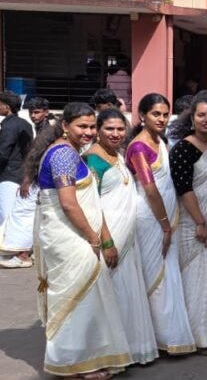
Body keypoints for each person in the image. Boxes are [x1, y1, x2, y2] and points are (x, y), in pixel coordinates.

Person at [26, 102, 131, 377]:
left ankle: (84, 360)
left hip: (75, 236)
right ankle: (69, 364)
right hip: (70, 238)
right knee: (76, 299)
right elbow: (69, 203)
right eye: (81, 126)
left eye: (92, 126)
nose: (88, 132)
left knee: (86, 300)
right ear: (65, 125)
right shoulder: (63, 155)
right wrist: (93, 238)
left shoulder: (72, 152)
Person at [84, 109, 160, 365]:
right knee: (110, 296)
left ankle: (128, 349)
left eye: (120, 129)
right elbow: (92, 206)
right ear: (98, 130)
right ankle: (105, 355)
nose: (116, 134)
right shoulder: (92, 161)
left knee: (127, 294)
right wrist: (107, 242)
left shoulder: (117, 155)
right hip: (110, 239)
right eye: (109, 129)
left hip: (128, 235)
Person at [126, 93, 197, 355]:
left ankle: (170, 336)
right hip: (150, 218)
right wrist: (165, 225)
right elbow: (150, 189)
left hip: (167, 215)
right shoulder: (138, 147)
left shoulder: (160, 142)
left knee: (168, 273)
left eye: (165, 114)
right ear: (142, 116)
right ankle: (155, 336)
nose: (162, 119)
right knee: (154, 275)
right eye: (156, 114)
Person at [168, 92, 207, 354]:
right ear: (191, 118)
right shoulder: (183, 148)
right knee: (194, 278)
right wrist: (200, 223)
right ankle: (193, 335)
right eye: (201, 115)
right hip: (192, 222)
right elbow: (184, 188)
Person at [0, 91, 33, 268]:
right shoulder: (25, 124)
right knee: (16, 213)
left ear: (6, 106)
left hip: (9, 174)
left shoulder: (9, 125)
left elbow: (3, 152)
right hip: (22, 173)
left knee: (8, 215)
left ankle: (19, 253)